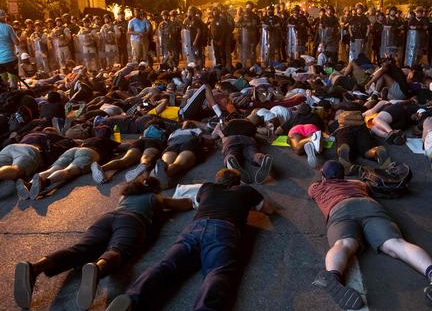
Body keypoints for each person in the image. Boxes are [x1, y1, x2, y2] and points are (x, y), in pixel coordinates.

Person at [104, 169, 279, 311]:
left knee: (168, 264)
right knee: (217, 271)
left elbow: (197, 200)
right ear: (238, 181)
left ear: (218, 180)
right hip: (224, 229)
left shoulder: (208, 188)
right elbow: (269, 210)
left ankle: (132, 298)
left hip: (195, 227)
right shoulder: (246, 191)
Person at [13, 177, 193, 310]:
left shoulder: (125, 198)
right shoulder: (155, 198)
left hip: (106, 219)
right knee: (119, 249)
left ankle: (35, 267)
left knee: (81, 249)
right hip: (132, 221)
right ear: (155, 189)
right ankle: (97, 269)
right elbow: (183, 205)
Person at [309, 160, 432, 310]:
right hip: (368, 204)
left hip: (339, 208)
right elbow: (367, 184)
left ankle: (333, 277)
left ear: (323, 176)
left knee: (344, 244)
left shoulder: (317, 187)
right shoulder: (358, 184)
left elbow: (313, 188)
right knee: (396, 243)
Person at [212, 116, 273, 184]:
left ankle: (230, 159)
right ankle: (261, 158)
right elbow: (261, 134)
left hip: (231, 139)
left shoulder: (228, 123)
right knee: (252, 153)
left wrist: (221, 134)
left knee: (231, 151)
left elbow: (213, 136)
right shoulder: (250, 125)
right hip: (248, 139)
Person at [0, 9, 19, 89]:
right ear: (3, 18)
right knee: (13, 84)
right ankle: (15, 94)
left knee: (3, 83)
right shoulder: (8, 27)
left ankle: (6, 96)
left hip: (0, 61)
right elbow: (16, 42)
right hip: (10, 59)